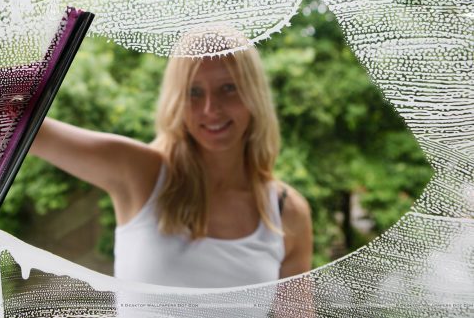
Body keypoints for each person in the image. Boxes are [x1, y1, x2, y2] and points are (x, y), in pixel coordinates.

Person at [29, 28, 313, 288]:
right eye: (194, 92)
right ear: (176, 100)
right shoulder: (140, 173)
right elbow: (18, 128)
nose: (211, 109)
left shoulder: (287, 211)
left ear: (254, 94)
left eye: (228, 88)